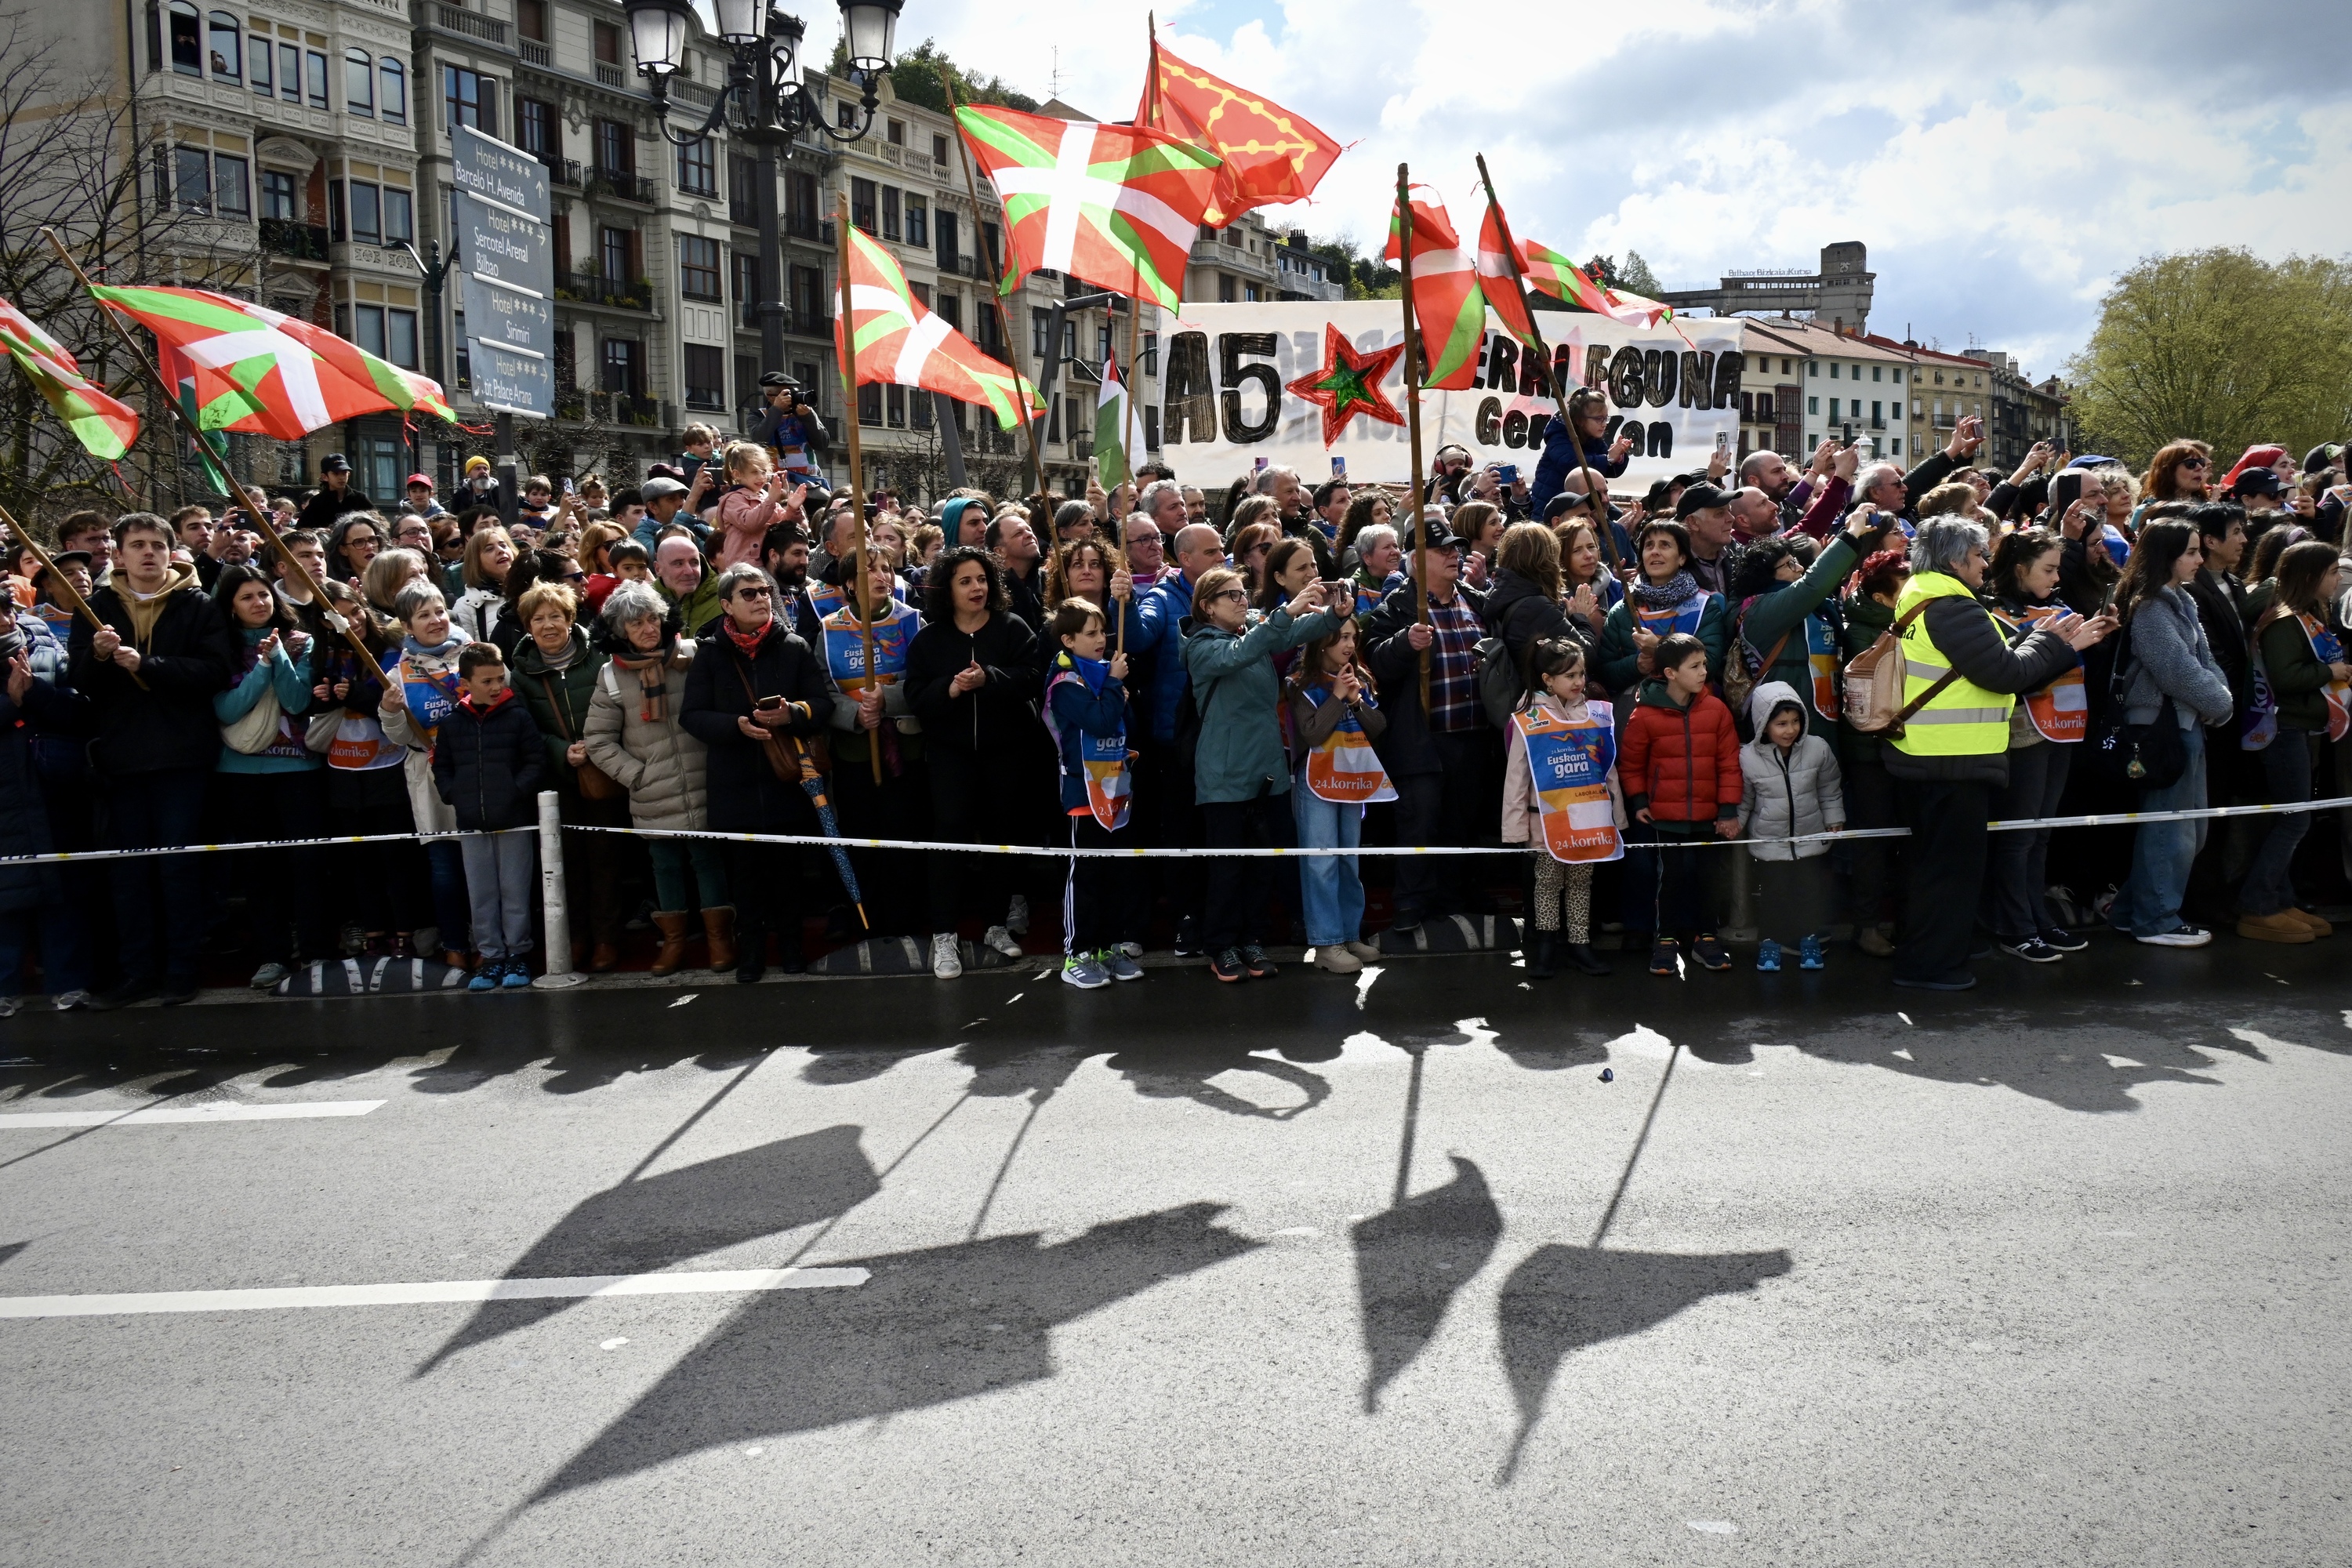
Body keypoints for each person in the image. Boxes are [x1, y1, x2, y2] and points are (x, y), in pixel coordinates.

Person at [1888, 518, 2107, 989]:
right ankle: (1932, 965)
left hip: (1933, 755)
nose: (1987, 564)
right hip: (1950, 759)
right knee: (1951, 870)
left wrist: (2043, 642)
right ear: (1954, 561)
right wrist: (2055, 643)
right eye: (1980, 556)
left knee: (1937, 866)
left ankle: (1940, 952)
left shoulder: (1924, 594)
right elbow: (2004, 674)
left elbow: (1989, 662)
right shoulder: (1952, 606)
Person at [69, 513, 230, 1008]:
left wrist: (150, 665)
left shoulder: (198, 604)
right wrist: (96, 657)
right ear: (118, 554)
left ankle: (181, 971)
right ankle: (137, 972)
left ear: (170, 551)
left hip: (182, 755)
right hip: (121, 758)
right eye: (136, 545)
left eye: (156, 545)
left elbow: (216, 672)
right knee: (129, 873)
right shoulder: (94, 607)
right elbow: (80, 683)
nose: (147, 554)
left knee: (178, 869)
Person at [1183, 565, 1341, 981]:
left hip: (1266, 768)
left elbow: (1289, 634)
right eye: (1230, 596)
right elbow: (1244, 652)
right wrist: (1286, 613)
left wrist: (1333, 614)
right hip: (1223, 774)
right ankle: (1221, 944)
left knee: (1261, 865)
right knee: (1228, 866)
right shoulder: (1202, 646)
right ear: (1207, 607)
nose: (1242, 601)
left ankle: (1252, 938)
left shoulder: (1253, 628)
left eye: (1242, 593)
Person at [679, 562, 832, 981]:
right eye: (749, 593)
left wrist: (793, 714)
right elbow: (691, 716)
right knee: (745, 877)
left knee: (788, 874)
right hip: (735, 783)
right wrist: (735, 726)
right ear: (726, 604)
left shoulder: (794, 647)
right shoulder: (710, 654)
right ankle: (751, 953)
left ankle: (791, 947)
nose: (761, 598)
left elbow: (823, 704)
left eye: (764, 590)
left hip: (787, 781)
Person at [905, 547, 1037, 979]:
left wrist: (990, 678)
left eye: (981, 579)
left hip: (1006, 753)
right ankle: (945, 933)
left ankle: (997, 925)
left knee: (1003, 836)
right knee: (950, 838)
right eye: (965, 581)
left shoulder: (1012, 628)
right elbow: (917, 697)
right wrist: (952, 688)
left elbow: (1034, 679)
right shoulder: (930, 639)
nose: (977, 587)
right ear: (948, 590)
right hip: (950, 756)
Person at [584, 581, 725, 976]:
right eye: (637, 624)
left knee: (708, 860)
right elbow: (597, 739)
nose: (649, 629)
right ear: (619, 631)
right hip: (652, 793)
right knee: (664, 867)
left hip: (703, 781)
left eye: (653, 619)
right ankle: (674, 944)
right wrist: (637, 776)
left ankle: (719, 940)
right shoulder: (611, 676)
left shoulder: (691, 656)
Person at [209, 561, 331, 987]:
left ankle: (316, 952)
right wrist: (260, 669)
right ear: (229, 607)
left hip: (298, 768)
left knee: (308, 864)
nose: (258, 603)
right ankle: (272, 954)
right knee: (260, 869)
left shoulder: (302, 642)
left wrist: (277, 656)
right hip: (240, 773)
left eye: (264, 594)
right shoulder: (218, 648)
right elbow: (226, 709)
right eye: (246, 597)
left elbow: (298, 702)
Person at [1363, 517, 1489, 932]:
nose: (1454, 555)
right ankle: (1411, 907)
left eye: (1454, 548)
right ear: (1417, 562)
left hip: (1471, 736)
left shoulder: (1474, 599)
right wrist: (1404, 645)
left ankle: (1454, 900)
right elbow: (1376, 661)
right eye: (1442, 551)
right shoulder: (1397, 607)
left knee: (1462, 821)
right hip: (1422, 738)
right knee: (1419, 823)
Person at [1982, 528, 2091, 962]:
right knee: (2018, 836)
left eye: (2059, 568)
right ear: (2021, 569)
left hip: (2064, 725)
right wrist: (2067, 646)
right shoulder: (1996, 612)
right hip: (2025, 732)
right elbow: (2017, 675)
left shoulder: (2057, 608)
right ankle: (2015, 926)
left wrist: (2094, 637)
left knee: (2041, 834)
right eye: (2048, 569)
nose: (2056, 578)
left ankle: (2038, 918)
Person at [815, 542, 931, 943]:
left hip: (905, 750)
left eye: (886, 568)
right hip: (854, 753)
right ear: (849, 584)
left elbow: (924, 681)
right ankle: (868, 919)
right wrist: (855, 715)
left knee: (906, 835)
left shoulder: (914, 622)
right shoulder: (830, 629)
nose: (883, 576)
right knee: (862, 838)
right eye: (870, 571)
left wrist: (888, 699)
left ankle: (907, 919)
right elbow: (824, 690)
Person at [509, 579, 622, 971]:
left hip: (604, 770)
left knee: (606, 860)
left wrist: (597, 744)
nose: (547, 625)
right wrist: (561, 752)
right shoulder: (520, 672)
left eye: (555, 616)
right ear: (528, 626)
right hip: (556, 780)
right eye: (538, 619)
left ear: (570, 618)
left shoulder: (600, 657)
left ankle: (607, 939)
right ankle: (576, 939)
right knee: (567, 862)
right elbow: (522, 729)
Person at [2238, 539, 2347, 944]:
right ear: (2309, 576)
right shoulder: (2283, 620)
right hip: (2283, 728)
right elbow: (2285, 680)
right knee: (2294, 818)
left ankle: (2282, 900)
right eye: (2333, 572)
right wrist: (2331, 670)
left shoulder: (2307, 613)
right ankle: (2259, 905)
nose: (2338, 580)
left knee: (2293, 817)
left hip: (2301, 727)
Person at [1617, 633, 1738, 974]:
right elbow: (1632, 763)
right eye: (1695, 666)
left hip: (1708, 814)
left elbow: (1729, 763)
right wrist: (1639, 799)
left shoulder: (1717, 710)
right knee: (1667, 880)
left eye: (1704, 664)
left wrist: (1727, 809)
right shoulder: (1644, 715)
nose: (1704, 671)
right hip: (1664, 816)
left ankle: (1707, 939)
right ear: (1670, 672)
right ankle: (1665, 941)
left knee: (1708, 878)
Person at [1501, 636, 1621, 981]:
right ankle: (1546, 946)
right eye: (1569, 675)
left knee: (1582, 880)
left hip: (1590, 817)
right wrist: (1515, 829)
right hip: (1546, 822)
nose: (1579, 682)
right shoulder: (1528, 717)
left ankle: (1581, 944)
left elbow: (1607, 766)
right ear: (1547, 680)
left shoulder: (1596, 713)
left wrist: (1618, 818)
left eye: (1581, 673)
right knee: (1548, 883)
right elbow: (1517, 778)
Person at [1042, 597, 1142, 988]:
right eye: (1091, 633)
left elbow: (1124, 725)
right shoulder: (1066, 683)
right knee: (1085, 873)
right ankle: (1077, 953)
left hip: (1114, 788)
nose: (1101, 639)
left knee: (1115, 872)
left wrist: (1118, 692)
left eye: (1103, 631)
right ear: (1068, 640)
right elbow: (1100, 723)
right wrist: (1115, 684)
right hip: (1082, 793)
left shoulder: (1101, 675)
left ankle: (1107, 947)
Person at [431, 643, 542, 991]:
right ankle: (491, 957)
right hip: (471, 822)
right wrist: (455, 795)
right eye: (487, 681)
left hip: (513, 819)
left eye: (499, 679)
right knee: (480, 893)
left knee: (514, 890)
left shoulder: (518, 716)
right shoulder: (452, 724)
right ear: (465, 684)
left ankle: (517, 954)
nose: (496, 687)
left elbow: (535, 762)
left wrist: (513, 792)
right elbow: (442, 766)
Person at [1286, 615, 1391, 976]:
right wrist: (1336, 698)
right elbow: (1313, 733)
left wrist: (1358, 701)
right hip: (1314, 782)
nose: (1348, 645)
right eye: (1340, 637)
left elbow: (1379, 728)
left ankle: (1349, 934)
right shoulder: (1299, 682)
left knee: (1349, 858)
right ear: (1320, 642)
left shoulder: (1359, 679)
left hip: (1351, 779)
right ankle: (1327, 942)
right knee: (1321, 861)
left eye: (1352, 637)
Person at [0, 606, 89, 1014]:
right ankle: (4, 987)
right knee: (7, 899)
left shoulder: (50, 650)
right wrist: (10, 704)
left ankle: (68, 982)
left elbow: (80, 709)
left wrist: (35, 693)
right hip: (7, 796)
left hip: (53, 786)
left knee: (61, 893)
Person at [1734, 507, 1886, 742]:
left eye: (1795, 561)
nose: (1800, 568)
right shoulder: (1761, 611)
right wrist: (1851, 534)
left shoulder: (1818, 608)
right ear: (1765, 577)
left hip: (1827, 721)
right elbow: (1812, 585)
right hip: (1786, 732)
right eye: (1789, 565)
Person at [383, 582, 475, 967]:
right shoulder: (397, 673)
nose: (436, 620)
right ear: (407, 626)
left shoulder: (473, 655)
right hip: (430, 775)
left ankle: (489, 942)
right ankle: (454, 944)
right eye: (423, 615)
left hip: (475, 769)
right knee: (444, 867)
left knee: (482, 864)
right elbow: (400, 736)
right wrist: (390, 711)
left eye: (439, 610)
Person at [1736, 681, 1843, 972]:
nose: (1790, 730)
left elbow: (1829, 789)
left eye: (1795, 721)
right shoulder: (1748, 758)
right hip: (1771, 844)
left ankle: (1808, 940)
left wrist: (1835, 820)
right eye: (1781, 723)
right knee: (1774, 895)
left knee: (1809, 893)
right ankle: (1769, 943)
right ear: (1763, 724)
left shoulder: (1817, 749)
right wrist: (1736, 824)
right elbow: (1744, 799)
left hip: (1811, 840)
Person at [1599, 519, 1728, 696]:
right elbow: (1604, 672)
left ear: (1682, 557)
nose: (1655, 552)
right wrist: (1637, 665)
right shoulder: (1623, 609)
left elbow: (1710, 665)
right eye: (1649, 546)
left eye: (1665, 545)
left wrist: (1660, 651)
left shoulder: (1705, 606)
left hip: (1691, 710)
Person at [1531, 385, 1635, 519]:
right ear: (1580, 420)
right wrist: (1608, 458)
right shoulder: (1559, 436)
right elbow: (1573, 465)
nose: (1604, 424)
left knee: (1622, 520)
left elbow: (1609, 470)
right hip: (1550, 507)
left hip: (1583, 504)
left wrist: (1618, 456)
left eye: (1606, 418)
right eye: (1599, 419)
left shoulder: (1593, 439)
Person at [712, 441, 801, 571]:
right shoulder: (733, 499)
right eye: (754, 472)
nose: (761, 477)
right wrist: (770, 501)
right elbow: (749, 523)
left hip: (767, 562)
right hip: (745, 565)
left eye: (764, 472)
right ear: (737, 474)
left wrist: (793, 508)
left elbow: (781, 524)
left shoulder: (765, 496)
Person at [749, 372, 831, 483]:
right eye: (787, 393)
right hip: (775, 482)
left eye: (793, 392)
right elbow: (759, 439)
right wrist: (777, 410)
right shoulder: (758, 415)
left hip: (809, 481)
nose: (792, 396)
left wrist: (808, 418)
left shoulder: (804, 412)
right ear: (770, 396)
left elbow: (822, 444)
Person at [452, 524, 515, 644]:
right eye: (489, 549)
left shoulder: (535, 588)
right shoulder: (465, 607)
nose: (500, 551)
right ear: (476, 563)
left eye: (503, 545)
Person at [654, 532, 724, 637]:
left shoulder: (726, 598)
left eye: (694, 562)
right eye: (678, 564)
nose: (689, 571)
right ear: (658, 569)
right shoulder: (646, 604)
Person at [296, 452, 372, 532]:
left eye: (344, 473)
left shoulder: (360, 498)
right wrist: (319, 531)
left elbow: (378, 523)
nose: (341, 477)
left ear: (349, 474)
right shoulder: (317, 502)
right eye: (336, 474)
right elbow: (301, 529)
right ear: (324, 477)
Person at [325, 512, 383, 588]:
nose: (369, 547)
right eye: (359, 542)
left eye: (372, 539)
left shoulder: (394, 576)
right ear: (343, 550)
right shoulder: (335, 587)